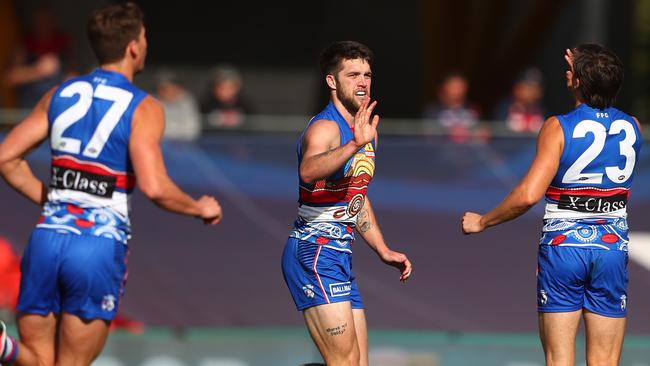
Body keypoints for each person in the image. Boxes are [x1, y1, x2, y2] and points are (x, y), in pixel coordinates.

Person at [0, 3, 222, 365]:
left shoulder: (61, 93)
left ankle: (4, 348)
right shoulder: (144, 108)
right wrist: (200, 207)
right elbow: (154, 187)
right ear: (133, 46)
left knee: (38, 360)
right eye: (145, 37)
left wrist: (53, 200)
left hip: (47, 237)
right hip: (96, 245)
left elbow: (6, 156)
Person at [462, 44, 642, 366]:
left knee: (559, 359)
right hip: (611, 248)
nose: (567, 74)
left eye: (572, 72)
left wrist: (483, 221)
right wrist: (588, 68)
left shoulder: (558, 127)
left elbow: (529, 195)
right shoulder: (633, 126)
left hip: (564, 248)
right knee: (605, 360)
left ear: (577, 82)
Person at [281, 41, 412, 366]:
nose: (363, 82)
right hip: (314, 252)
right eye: (352, 74)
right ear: (331, 81)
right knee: (343, 363)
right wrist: (355, 142)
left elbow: (357, 197)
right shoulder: (327, 127)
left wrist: (382, 249)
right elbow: (308, 170)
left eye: (367, 74)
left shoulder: (367, 131)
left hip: (340, 253)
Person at [5, 3, 76, 108]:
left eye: (47, 21)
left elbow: (72, 73)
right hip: (30, 107)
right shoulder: (25, 44)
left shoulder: (62, 42)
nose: (43, 25)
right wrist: (37, 70)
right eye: (40, 21)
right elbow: (9, 78)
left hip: (55, 105)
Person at [422, 71, 481, 143]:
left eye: (460, 86)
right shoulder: (433, 111)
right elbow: (427, 136)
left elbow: (482, 132)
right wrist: (448, 132)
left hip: (469, 152)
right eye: (453, 85)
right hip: (441, 152)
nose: (457, 90)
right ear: (444, 87)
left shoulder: (473, 109)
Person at [153, 69, 202, 141]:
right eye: (163, 88)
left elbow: (193, 129)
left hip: (186, 144)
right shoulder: (153, 101)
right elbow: (153, 130)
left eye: (171, 86)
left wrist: (170, 129)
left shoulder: (187, 100)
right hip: (163, 144)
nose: (168, 91)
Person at [495, 67, 546, 133]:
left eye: (536, 88)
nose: (533, 92)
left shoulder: (542, 110)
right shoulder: (504, 108)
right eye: (529, 87)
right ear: (517, 88)